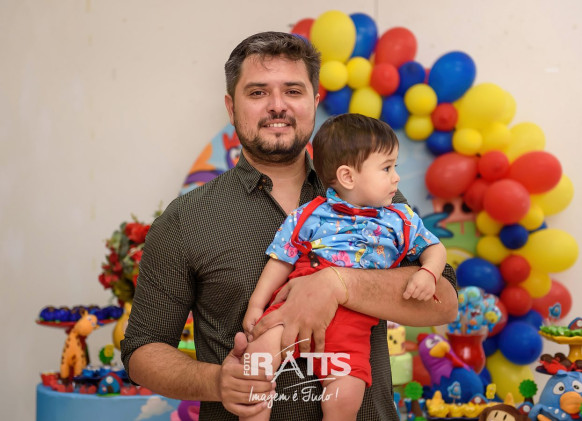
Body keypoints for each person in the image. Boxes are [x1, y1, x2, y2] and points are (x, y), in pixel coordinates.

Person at [121, 31, 458, 421]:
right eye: (258, 92)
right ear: (231, 107)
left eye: (293, 91)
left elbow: (445, 301)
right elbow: (142, 349)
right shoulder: (186, 219)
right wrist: (216, 381)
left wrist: (338, 284)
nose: (277, 106)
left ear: (314, 102)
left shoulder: (375, 199)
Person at [241, 113, 447, 421]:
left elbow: (435, 247)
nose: (396, 177)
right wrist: (256, 305)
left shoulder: (400, 219)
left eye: (394, 167)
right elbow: (281, 259)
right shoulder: (309, 214)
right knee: (256, 359)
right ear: (348, 177)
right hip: (293, 309)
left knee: (347, 396)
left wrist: (429, 272)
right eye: (387, 168)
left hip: (353, 323)